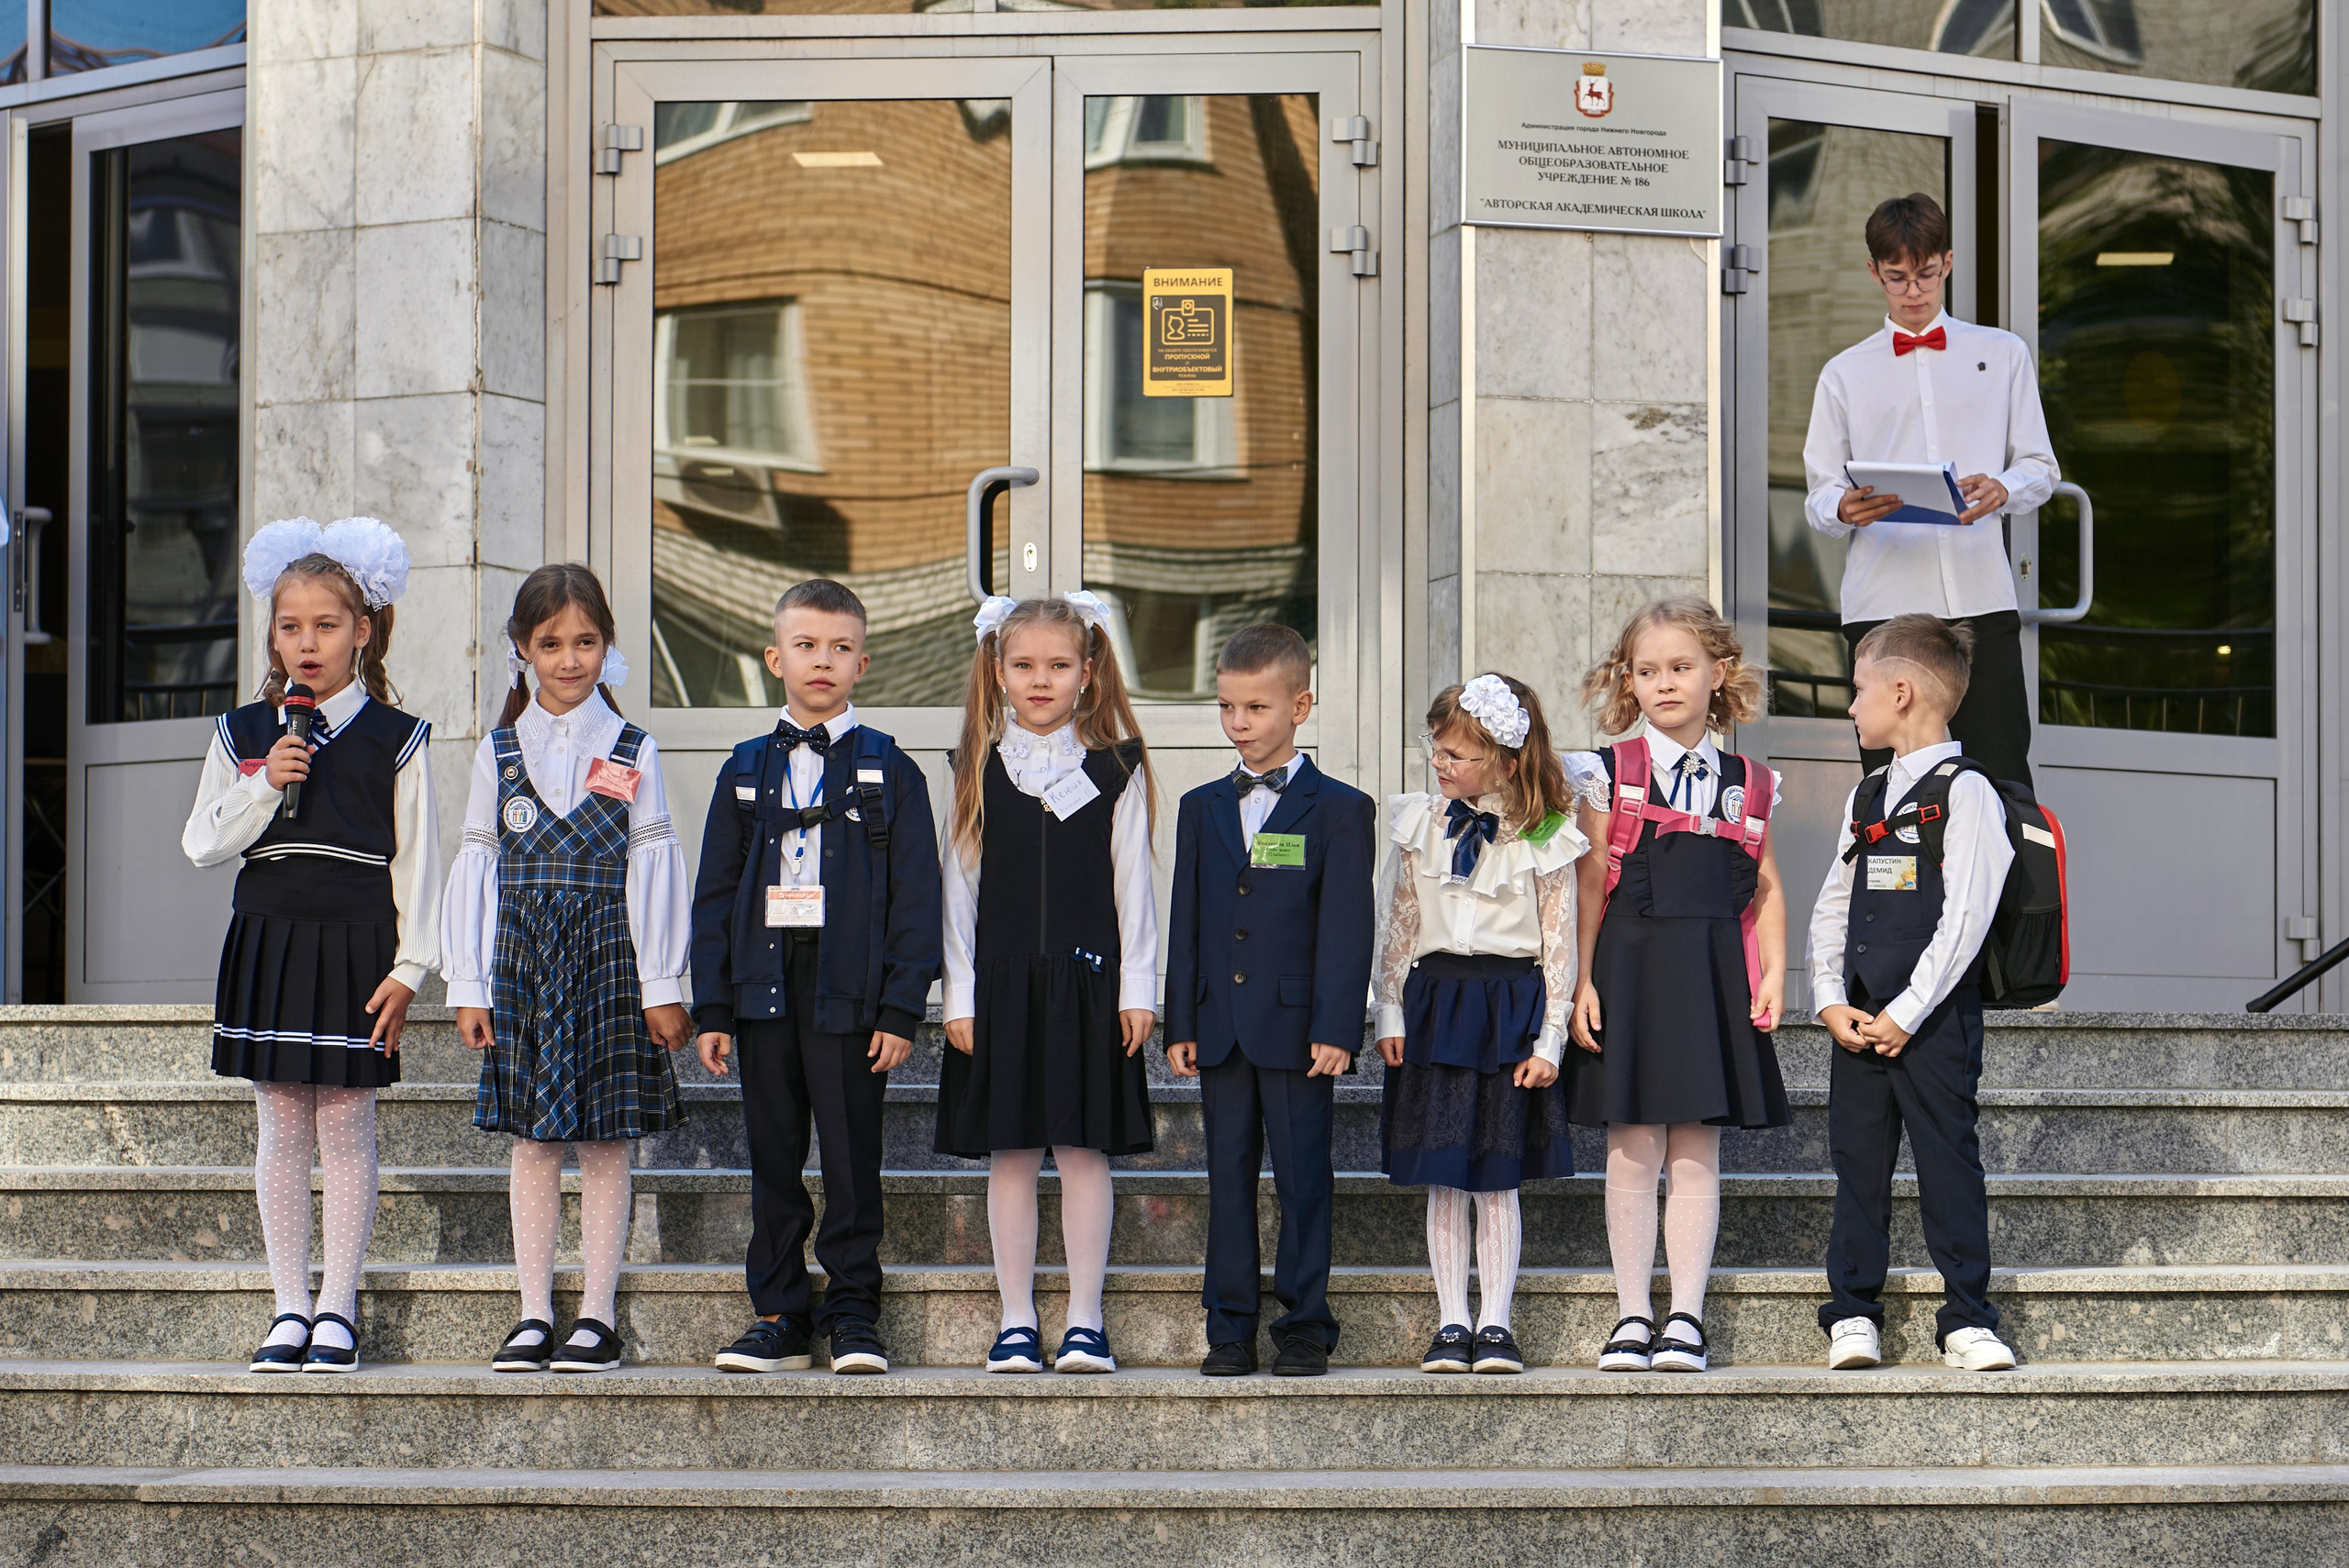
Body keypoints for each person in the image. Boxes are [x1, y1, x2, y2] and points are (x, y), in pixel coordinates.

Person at [186, 516, 440, 1375]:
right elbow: (200, 843)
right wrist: (265, 782)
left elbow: (418, 861)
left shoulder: (397, 736)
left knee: (347, 1125)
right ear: (272, 632)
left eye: (326, 625)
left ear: (361, 631)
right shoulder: (243, 733)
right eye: (290, 626)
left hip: (357, 942)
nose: (307, 642)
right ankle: (287, 1303)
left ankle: (339, 1304)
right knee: (280, 1127)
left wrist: (410, 968)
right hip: (271, 934)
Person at [441, 564, 694, 1373]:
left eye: (586, 641)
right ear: (522, 648)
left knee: (607, 1142)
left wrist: (663, 984)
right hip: (521, 964)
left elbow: (653, 863)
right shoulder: (499, 750)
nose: (569, 658)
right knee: (533, 1143)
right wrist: (469, 982)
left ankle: (596, 1313)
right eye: (550, 642)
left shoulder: (631, 747)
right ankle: (531, 1310)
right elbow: (477, 861)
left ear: (607, 646)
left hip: (609, 962)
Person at [691, 580, 943, 1377]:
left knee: (849, 1156)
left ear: (863, 662)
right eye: (806, 645)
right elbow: (715, 895)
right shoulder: (742, 769)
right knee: (772, 1154)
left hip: (850, 991)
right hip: (764, 986)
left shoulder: (890, 770)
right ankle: (778, 1314)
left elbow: (917, 896)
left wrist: (903, 1006)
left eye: (839, 647)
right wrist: (713, 1005)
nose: (822, 660)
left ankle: (854, 1311)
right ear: (775, 658)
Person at [1566, 598, 1792, 1375]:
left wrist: (1771, 976)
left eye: (1682, 666)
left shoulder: (1753, 783)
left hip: (1711, 975)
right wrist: (1580, 983)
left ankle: (1686, 1318)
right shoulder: (1607, 773)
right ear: (1628, 681)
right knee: (1632, 1145)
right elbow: (1590, 883)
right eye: (1648, 669)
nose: (1664, 682)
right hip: (1626, 971)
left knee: (1696, 1148)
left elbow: (1764, 886)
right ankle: (1632, 1313)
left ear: (1718, 672)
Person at [938, 593, 1159, 1375]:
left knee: (1083, 1150)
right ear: (998, 671)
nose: (1041, 680)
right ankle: (1017, 1319)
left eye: (1058, 665)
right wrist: (957, 995)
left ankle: (1088, 1319)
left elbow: (1134, 882)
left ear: (1088, 671)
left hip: (1088, 985)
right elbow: (957, 890)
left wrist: (1140, 986)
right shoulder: (977, 766)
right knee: (1011, 1155)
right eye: (1024, 665)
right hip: (998, 988)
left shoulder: (1116, 766)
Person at [1165, 624, 1376, 1378]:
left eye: (1255, 707)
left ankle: (1305, 1324)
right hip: (1219, 1028)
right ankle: (1229, 1326)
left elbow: (1349, 926)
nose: (1239, 723)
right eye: (1227, 707)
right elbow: (1186, 917)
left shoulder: (1341, 808)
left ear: (1301, 704)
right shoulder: (1201, 806)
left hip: (1298, 1030)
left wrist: (1336, 1025)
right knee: (1227, 1178)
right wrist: (1180, 1018)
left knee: (1302, 1177)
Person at [1809, 613, 2018, 1373]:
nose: (1853, 706)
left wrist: (1908, 1012)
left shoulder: (1968, 793)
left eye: (1859, 690)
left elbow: (1967, 917)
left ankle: (1967, 1316)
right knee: (1857, 1162)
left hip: (1932, 1023)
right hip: (1862, 1019)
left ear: (1902, 692)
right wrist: (1830, 996)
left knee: (1946, 1159)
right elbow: (1835, 900)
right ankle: (1854, 1311)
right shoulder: (1867, 792)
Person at [1802, 191, 2058, 789]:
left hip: (1981, 600)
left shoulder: (2003, 354)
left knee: (2000, 778)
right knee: (1893, 781)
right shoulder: (1844, 373)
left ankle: (2008, 888)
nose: (1913, 291)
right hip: (1883, 606)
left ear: (1947, 262)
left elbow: (2041, 467)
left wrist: (2004, 487)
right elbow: (1819, 493)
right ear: (1874, 273)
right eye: (1896, 278)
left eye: (1925, 274)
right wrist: (1843, 505)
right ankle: (1898, 888)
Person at [1375, 673, 1583, 1375]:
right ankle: (1450, 1319)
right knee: (1443, 1174)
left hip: (1508, 1008)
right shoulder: (1419, 822)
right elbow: (1399, 924)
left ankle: (1495, 1320)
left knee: (1497, 1176)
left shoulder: (1548, 830)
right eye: (1438, 750)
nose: (1442, 764)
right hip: (1437, 1003)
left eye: (1458, 754)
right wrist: (1390, 1009)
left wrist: (1551, 1036)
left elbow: (1561, 940)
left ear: (1506, 759)